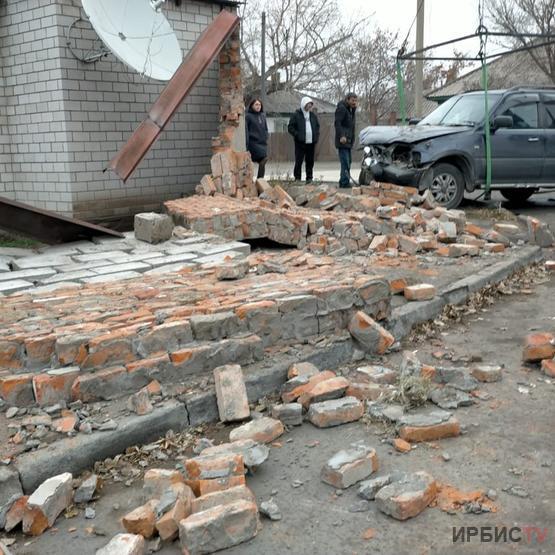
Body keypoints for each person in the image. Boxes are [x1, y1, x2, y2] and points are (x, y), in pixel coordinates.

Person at [287, 96, 320, 183]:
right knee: (299, 160)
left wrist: (316, 136)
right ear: (303, 104)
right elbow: (290, 127)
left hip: (311, 142)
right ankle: (297, 178)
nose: (309, 106)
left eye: (310, 104)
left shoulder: (313, 116)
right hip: (300, 143)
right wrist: (297, 135)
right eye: (308, 104)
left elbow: (317, 127)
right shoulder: (296, 115)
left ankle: (309, 178)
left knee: (310, 161)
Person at [334, 92, 358, 188]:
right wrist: (341, 136)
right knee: (345, 162)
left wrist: (354, 109)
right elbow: (337, 123)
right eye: (352, 100)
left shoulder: (350, 110)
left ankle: (343, 180)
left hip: (348, 140)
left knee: (349, 161)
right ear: (347, 99)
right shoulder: (342, 108)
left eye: (356, 101)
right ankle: (344, 182)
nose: (354, 102)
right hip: (343, 140)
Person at [245, 98, 269, 179]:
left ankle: (260, 180)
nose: (258, 106)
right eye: (256, 104)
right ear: (252, 106)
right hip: (253, 143)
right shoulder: (248, 116)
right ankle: (251, 180)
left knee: (264, 160)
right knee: (254, 160)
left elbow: (266, 128)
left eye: (259, 104)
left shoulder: (262, 115)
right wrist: (247, 143)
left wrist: (266, 136)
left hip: (262, 143)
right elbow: (246, 130)